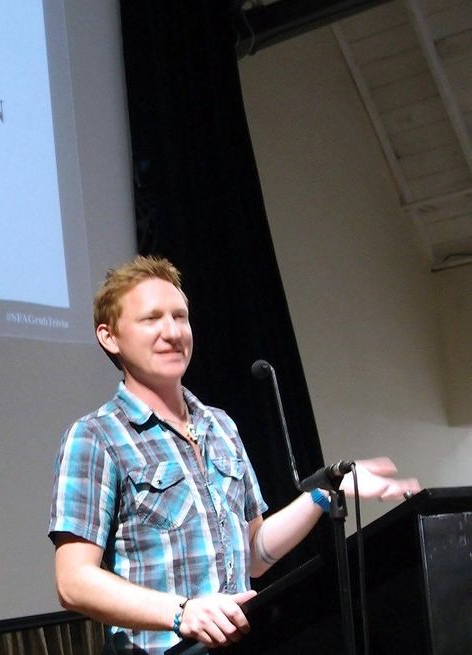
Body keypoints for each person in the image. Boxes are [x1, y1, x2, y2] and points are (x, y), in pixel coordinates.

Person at [48, 256, 419, 654]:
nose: (172, 332)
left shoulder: (220, 426)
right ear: (109, 337)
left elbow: (254, 554)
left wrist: (325, 491)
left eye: (180, 317)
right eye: (152, 319)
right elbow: (74, 582)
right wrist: (181, 612)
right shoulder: (96, 436)